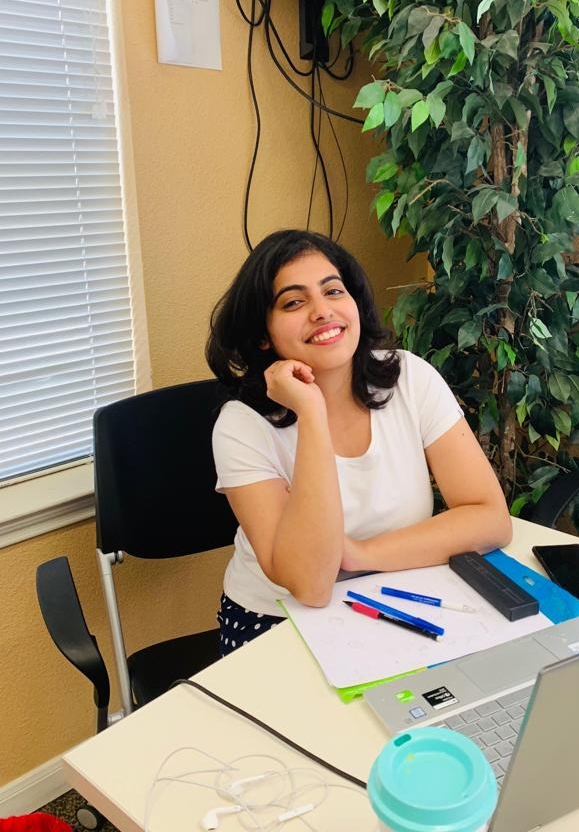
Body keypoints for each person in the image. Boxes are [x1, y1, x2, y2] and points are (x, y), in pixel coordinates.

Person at [206, 229, 512, 655]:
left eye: (333, 291)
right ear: (263, 335)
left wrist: (360, 554)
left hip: (398, 597)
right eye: (294, 302)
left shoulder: (410, 378)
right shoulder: (241, 425)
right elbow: (312, 585)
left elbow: (490, 518)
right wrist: (312, 414)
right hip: (278, 624)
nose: (322, 311)